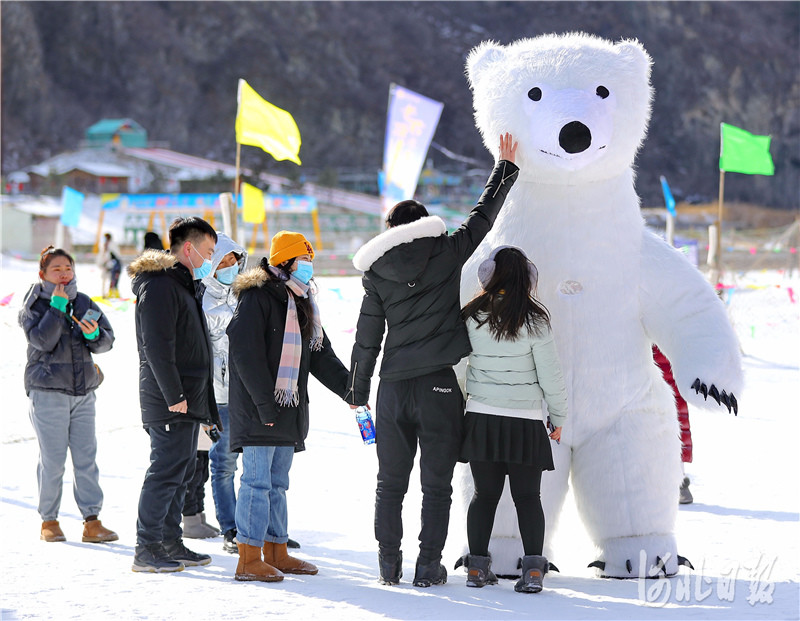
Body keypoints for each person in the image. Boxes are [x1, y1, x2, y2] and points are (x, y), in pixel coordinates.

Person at [346, 133, 519, 587]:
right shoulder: (446, 252)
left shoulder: (377, 273)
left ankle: (388, 565)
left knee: (390, 485)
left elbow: (367, 338)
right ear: (425, 224)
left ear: (389, 229)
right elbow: (482, 218)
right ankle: (427, 566)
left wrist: (357, 392)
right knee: (436, 485)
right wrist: (505, 166)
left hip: (394, 387)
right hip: (439, 386)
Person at [227, 231, 351, 582]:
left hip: (287, 407)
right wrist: (265, 405)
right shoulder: (257, 296)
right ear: (285, 261)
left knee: (277, 483)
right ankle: (248, 558)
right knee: (256, 482)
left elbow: (320, 354)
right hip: (259, 408)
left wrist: (349, 389)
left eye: (311, 260)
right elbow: (244, 353)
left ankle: (277, 551)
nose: (309, 267)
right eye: (304, 260)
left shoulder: (302, 300)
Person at [457, 246, 567, 594]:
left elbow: (460, 368)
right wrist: (559, 415)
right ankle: (533, 571)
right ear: (528, 278)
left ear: (488, 275)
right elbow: (551, 375)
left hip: (482, 417)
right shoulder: (535, 320)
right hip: (525, 420)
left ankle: (476, 569)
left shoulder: (472, 315)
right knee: (528, 497)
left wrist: (461, 407)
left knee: (484, 495)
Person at [128, 217, 220, 573]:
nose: (210, 259)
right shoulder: (160, 285)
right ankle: (146, 546)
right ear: (188, 248)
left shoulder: (183, 285)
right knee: (165, 472)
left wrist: (204, 407)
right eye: (208, 252)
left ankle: (169, 541)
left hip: (188, 399)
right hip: (170, 401)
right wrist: (173, 394)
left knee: (182, 473)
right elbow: (157, 346)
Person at [19, 246, 118, 544]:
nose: (63, 274)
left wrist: (92, 335)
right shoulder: (34, 303)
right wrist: (57, 309)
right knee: (53, 460)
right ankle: (49, 520)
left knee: (87, 458)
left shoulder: (84, 301)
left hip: (83, 390)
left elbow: (106, 341)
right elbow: (42, 340)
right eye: (56, 269)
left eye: (68, 268)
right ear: (43, 274)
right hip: (48, 391)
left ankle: (92, 521)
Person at [195, 232, 247, 549]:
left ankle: (260, 527)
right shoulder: (202, 302)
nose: (229, 265)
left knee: (258, 468)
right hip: (221, 396)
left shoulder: (249, 294)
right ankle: (230, 528)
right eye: (221, 261)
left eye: (233, 259)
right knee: (224, 463)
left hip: (252, 396)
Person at [652, 344, 694, 504]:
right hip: (671, 374)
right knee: (676, 425)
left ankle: (677, 484)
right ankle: (679, 483)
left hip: (654, 375)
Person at [96, 232, 122, 298]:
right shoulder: (103, 246)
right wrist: (101, 264)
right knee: (104, 279)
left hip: (112, 265)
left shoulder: (112, 245)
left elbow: (116, 256)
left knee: (112, 280)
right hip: (105, 265)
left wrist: (111, 264)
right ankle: (104, 294)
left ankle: (111, 293)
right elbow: (101, 256)